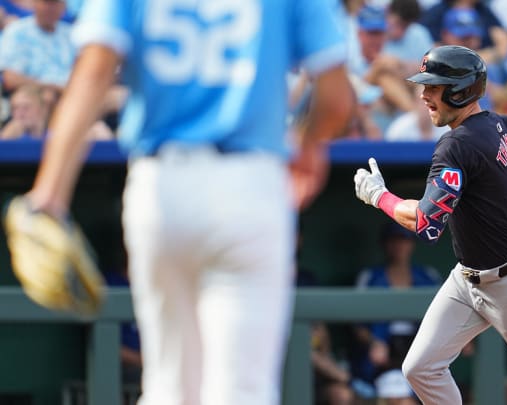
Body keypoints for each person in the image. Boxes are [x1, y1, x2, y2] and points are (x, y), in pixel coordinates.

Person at [23, 1, 354, 405]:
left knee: (169, 386)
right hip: (250, 184)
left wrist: (49, 195)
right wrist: (308, 143)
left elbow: (93, 71)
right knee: (242, 390)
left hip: (162, 184)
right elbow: (337, 98)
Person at [353, 45, 507, 405]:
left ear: (461, 89)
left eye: (433, 87)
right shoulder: (505, 125)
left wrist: (379, 197)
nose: (423, 95)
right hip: (468, 277)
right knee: (421, 367)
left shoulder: (456, 145)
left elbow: (427, 222)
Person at [350, 222, 440, 404]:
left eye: (404, 240)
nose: (399, 246)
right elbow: (356, 323)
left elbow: (446, 316)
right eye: (394, 240)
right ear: (384, 244)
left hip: (418, 347)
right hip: (383, 352)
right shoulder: (370, 277)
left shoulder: (428, 276)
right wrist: (373, 342)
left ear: (412, 244)